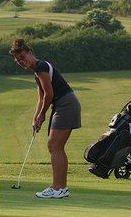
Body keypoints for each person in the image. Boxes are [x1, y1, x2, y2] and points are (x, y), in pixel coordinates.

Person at [9, 38, 81, 198]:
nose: (22, 61)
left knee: (54, 145)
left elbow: (50, 94)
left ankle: (57, 188)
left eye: (23, 57)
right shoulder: (37, 72)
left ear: (30, 52)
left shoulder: (41, 67)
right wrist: (35, 118)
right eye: (18, 60)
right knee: (57, 147)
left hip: (66, 104)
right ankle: (61, 188)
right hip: (63, 105)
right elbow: (41, 98)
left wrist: (42, 114)